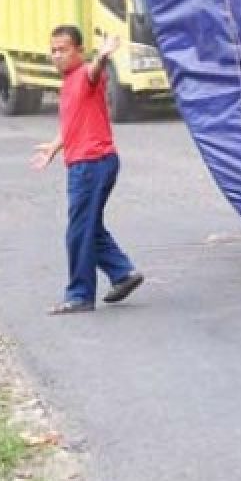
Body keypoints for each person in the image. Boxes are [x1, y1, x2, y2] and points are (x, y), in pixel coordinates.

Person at [30, 26, 144, 314]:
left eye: (63, 49)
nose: (57, 55)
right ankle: (123, 273)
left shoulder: (84, 75)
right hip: (88, 163)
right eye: (53, 50)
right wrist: (54, 148)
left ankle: (80, 295)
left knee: (78, 231)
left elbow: (94, 73)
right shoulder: (68, 82)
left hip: (92, 163)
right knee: (88, 226)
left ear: (79, 51)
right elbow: (72, 123)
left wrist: (103, 56)